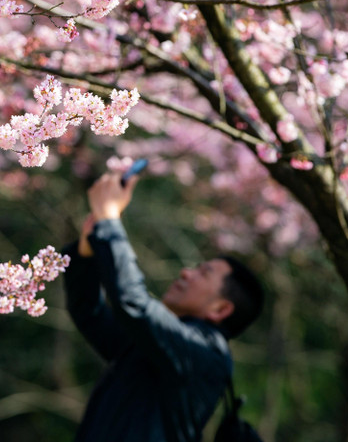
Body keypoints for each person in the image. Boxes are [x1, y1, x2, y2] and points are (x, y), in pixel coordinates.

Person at [64, 171, 264, 442]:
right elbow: (89, 312)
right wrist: (86, 252)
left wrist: (110, 221)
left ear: (220, 309)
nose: (186, 273)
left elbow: (134, 303)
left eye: (203, 273)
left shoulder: (206, 353)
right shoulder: (154, 348)